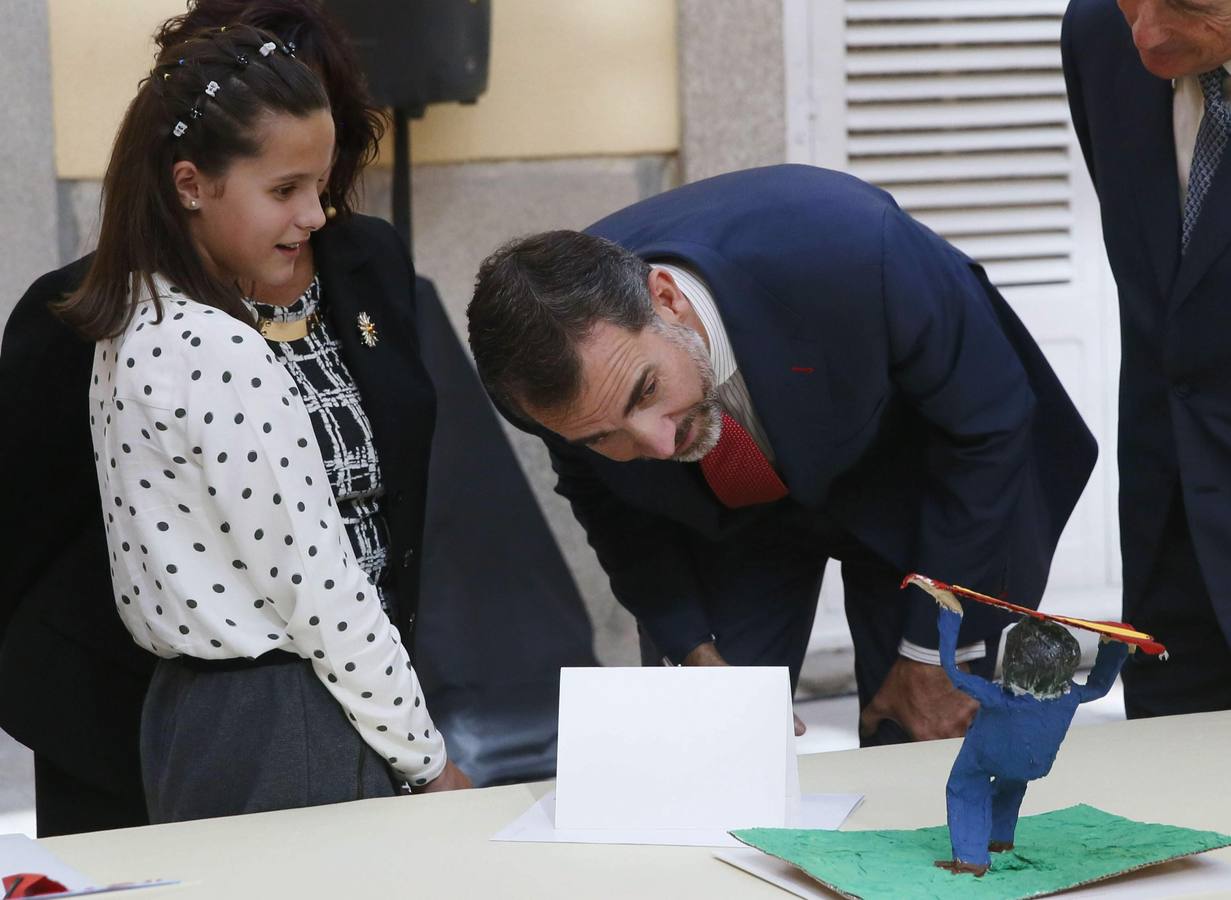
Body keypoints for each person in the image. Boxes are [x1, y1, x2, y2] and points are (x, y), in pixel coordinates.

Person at [466, 164, 1098, 745]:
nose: (655, 445)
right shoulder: (544, 392)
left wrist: (934, 656)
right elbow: (615, 513)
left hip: (918, 477)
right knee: (707, 746)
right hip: (725, 516)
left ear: (666, 299)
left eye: (648, 391)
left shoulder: (855, 248)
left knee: (929, 735)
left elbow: (987, 430)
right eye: (605, 438)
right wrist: (689, 648)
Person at [53, 23, 465, 822]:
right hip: (288, 717)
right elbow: (321, 591)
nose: (314, 214)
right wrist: (428, 761)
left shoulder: (136, 324)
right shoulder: (221, 348)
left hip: (188, 719)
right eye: (284, 190)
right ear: (190, 184)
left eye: (319, 185)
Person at [1062, 0, 1231, 718]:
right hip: (1170, 528)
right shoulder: (1095, 31)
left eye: (1186, 4)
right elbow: (1167, 293)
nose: (1146, 34)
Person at [906, 578, 1129, 875]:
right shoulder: (1072, 694)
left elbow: (953, 672)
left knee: (965, 788)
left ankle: (972, 858)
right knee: (1011, 785)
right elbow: (1100, 686)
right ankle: (999, 839)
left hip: (988, 757)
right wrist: (1115, 647)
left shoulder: (1001, 698)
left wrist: (950, 614)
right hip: (1034, 764)